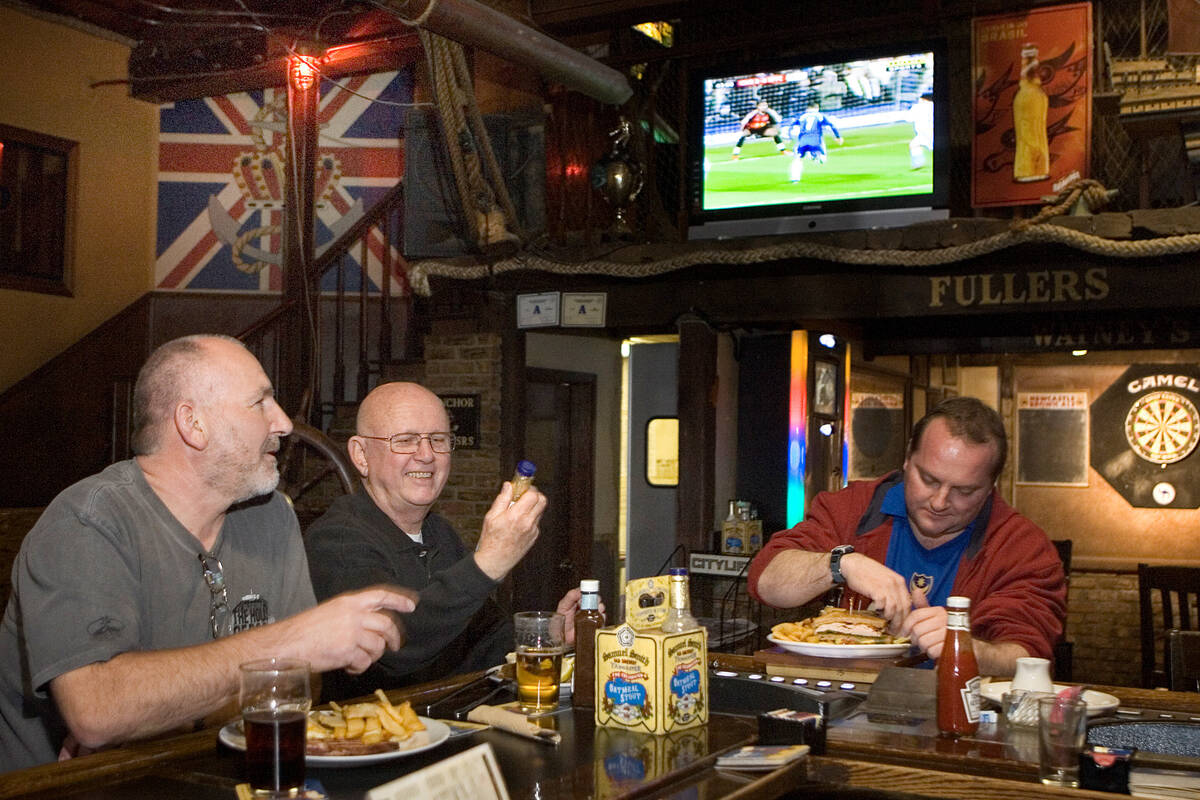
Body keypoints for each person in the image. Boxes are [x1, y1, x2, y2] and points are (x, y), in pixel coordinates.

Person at [0, 335, 417, 772]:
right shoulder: (88, 521)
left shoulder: (271, 515)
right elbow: (98, 710)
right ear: (192, 423)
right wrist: (288, 645)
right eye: (260, 403)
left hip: (210, 776)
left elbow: (301, 685)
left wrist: (167, 719)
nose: (284, 423)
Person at [748, 397, 1066, 676]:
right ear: (906, 460)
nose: (940, 502)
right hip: (848, 704)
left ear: (991, 485)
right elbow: (766, 581)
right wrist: (842, 564)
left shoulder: (1021, 547)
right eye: (928, 479)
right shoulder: (853, 508)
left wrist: (969, 647)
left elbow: (1030, 656)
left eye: (964, 491)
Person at [305, 382, 580, 700]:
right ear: (361, 455)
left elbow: (483, 642)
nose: (426, 455)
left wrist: (551, 635)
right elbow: (392, 648)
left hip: (451, 727)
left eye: (438, 440)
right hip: (372, 742)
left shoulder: (439, 533)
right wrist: (488, 563)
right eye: (405, 441)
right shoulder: (337, 541)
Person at [788, 104, 843, 183]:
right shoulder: (820, 116)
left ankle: (795, 179)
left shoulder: (802, 116)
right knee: (823, 159)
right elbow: (832, 126)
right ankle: (814, 155)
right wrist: (838, 137)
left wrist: (789, 137)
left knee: (797, 159)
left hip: (802, 141)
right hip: (815, 141)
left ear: (807, 109)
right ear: (817, 108)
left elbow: (791, 126)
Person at [909, 91, 934, 169]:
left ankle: (918, 164)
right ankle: (918, 164)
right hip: (933, 131)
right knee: (914, 144)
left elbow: (908, 118)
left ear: (923, 99)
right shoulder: (934, 106)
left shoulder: (917, 107)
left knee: (914, 145)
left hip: (924, 132)